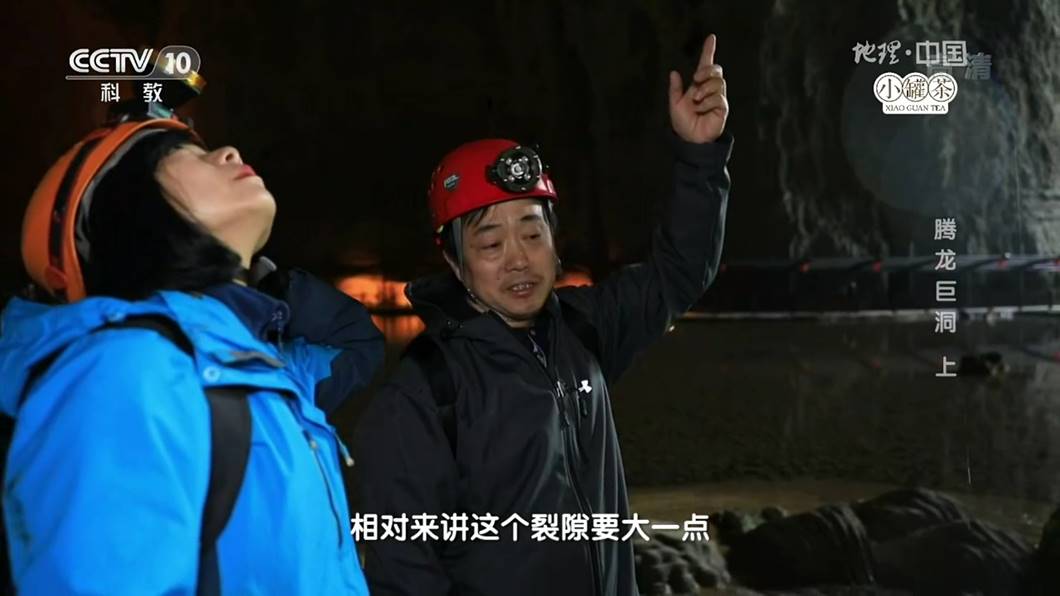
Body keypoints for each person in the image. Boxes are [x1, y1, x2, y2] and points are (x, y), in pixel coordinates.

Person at [355, 34, 731, 596]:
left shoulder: (584, 329)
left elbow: (679, 272)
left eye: (532, 234)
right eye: (490, 244)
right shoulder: (423, 396)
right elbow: (403, 574)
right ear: (454, 262)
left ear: (555, 242)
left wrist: (699, 155)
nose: (518, 260)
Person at [0, 93, 383, 594]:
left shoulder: (258, 368)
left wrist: (258, 284)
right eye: (187, 157)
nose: (227, 152)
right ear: (134, 217)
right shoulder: (125, 369)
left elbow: (358, 344)